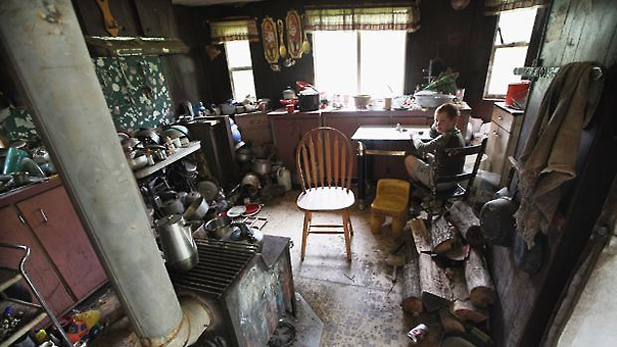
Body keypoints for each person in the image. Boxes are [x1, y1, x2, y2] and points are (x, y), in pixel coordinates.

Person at [404, 102, 465, 191]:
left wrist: (414, 136)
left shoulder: (445, 137)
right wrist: (438, 125)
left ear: (454, 121)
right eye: (436, 120)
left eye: (443, 121)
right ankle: (425, 185)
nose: (438, 123)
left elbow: (422, 148)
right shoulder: (457, 134)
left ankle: (421, 190)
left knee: (408, 158)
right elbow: (432, 133)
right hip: (454, 179)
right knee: (426, 155)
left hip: (440, 182)